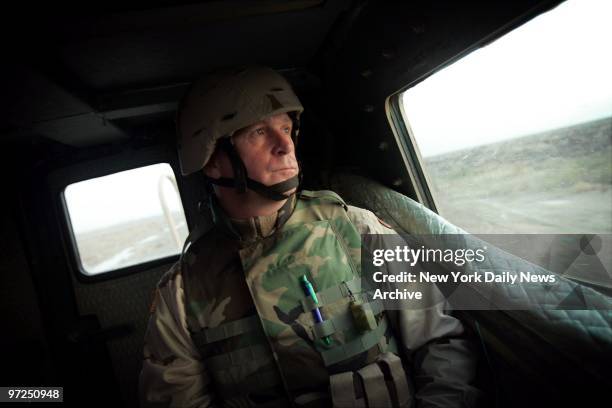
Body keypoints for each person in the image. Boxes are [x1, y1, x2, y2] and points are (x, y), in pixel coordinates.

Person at [139, 66, 481, 407]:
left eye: (287, 128)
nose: (285, 145)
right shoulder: (182, 291)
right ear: (212, 160)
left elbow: (439, 344)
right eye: (259, 131)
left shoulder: (355, 229)